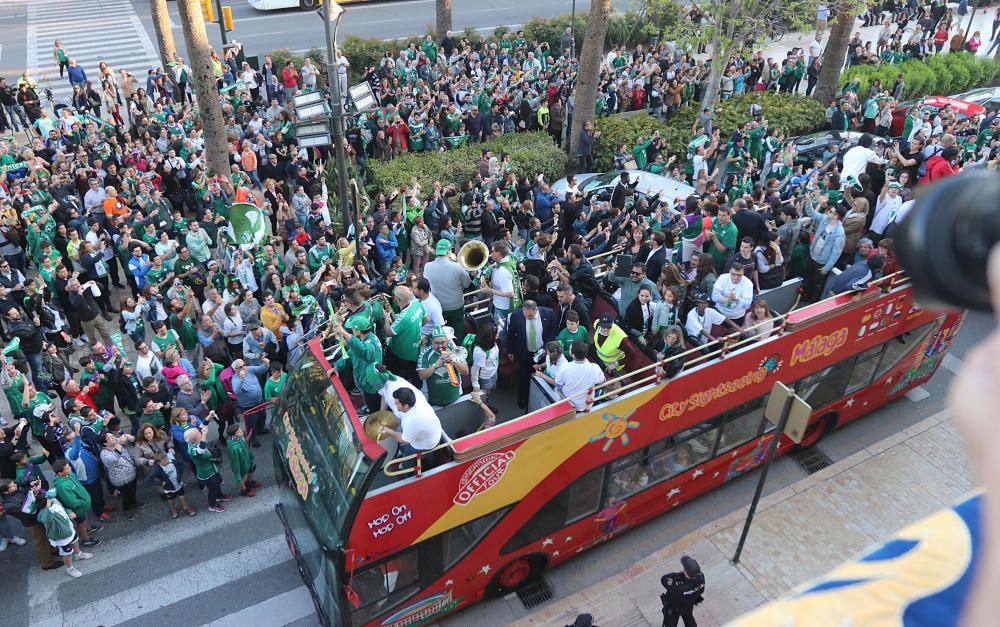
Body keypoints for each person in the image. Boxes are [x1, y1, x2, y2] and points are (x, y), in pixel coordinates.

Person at [505, 300, 557, 409]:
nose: (529, 317)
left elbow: (552, 332)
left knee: (542, 377)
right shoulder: (516, 315)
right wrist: (509, 350)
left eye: (531, 316)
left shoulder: (549, 313)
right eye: (527, 315)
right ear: (523, 310)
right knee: (523, 378)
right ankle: (523, 400)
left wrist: (545, 348)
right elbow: (510, 334)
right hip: (524, 353)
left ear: (536, 310)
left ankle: (540, 402)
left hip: (542, 353)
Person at [35, 487, 93, 578]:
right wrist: (48, 506)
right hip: (61, 536)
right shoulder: (43, 514)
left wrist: (69, 512)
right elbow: (46, 518)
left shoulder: (54, 501)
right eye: (48, 500)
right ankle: (69, 568)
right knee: (67, 553)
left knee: (75, 540)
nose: (51, 500)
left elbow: (63, 507)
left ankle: (78, 554)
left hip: (69, 529)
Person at [331, 316, 383, 412]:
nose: (351, 331)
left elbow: (362, 349)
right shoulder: (365, 338)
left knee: (375, 408)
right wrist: (337, 367)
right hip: (364, 382)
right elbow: (352, 354)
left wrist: (343, 333)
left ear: (358, 332)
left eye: (352, 329)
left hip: (371, 386)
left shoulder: (370, 345)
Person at [417, 326, 469, 407]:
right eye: (437, 343)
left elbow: (465, 371)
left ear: (447, 341)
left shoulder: (454, 350)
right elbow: (421, 376)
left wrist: (454, 360)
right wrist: (435, 366)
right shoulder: (425, 353)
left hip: (456, 398)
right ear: (432, 342)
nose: (440, 346)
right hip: (433, 402)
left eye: (443, 342)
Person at [184, 424, 230, 513]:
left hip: (213, 469)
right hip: (207, 474)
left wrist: (209, 417)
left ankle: (220, 496)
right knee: (212, 490)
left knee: (217, 484)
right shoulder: (192, 450)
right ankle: (212, 505)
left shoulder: (196, 442)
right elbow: (201, 451)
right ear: (194, 438)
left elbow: (203, 425)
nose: (200, 433)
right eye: (198, 433)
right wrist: (204, 435)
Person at [383, 286, 424, 385]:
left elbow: (388, 332)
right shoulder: (417, 304)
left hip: (400, 354)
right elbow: (425, 319)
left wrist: (386, 318)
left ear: (397, 299)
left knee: (396, 376)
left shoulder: (403, 317)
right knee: (415, 376)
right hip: (415, 349)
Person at [555, 340, 606, 412]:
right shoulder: (595, 368)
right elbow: (603, 381)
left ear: (573, 355)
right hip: (585, 405)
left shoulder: (564, 367)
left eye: (570, 349)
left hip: (569, 403)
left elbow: (558, 384)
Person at [230, 358, 270, 446]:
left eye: (244, 364)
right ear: (236, 370)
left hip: (259, 401)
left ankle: (260, 429)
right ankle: (253, 439)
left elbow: (262, 369)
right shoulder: (235, 379)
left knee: (262, 417)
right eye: (241, 367)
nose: (244, 367)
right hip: (249, 406)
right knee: (251, 424)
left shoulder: (249, 369)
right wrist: (241, 379)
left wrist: (266, 364)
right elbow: (236, 390)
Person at [144, 451, 196, 519]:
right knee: (172, 501)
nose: (167, 461)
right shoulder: (157, 469)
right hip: (169, 489)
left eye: (167, 458)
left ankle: (186, 507)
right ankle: (173, 510)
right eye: (165, 460)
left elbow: (180, 464)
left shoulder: (173, 461)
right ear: (159, 462)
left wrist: (179, 475)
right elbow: (147, 481)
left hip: (178, 485)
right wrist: (160, 483)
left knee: (183, 498)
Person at [660, 555, 706, 627]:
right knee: (689, 618)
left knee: (670, 623)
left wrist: (680, 574)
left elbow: (664, 579)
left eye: (684, 569)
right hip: (689, 604)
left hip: (675, 608)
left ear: (686, 573)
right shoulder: (701, 577)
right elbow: (701, 590)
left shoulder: (679, 589)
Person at [226, 424, 258, 498]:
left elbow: (246, 447)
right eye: (238, 431)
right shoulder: (233, 449)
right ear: (234, 436)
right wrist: (237, 474)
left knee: (251, 471)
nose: (241, 431)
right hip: (241, 466)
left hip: (248, 460)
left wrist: (250, 457)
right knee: (242, 478)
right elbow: (235, 463)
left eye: (240, 429)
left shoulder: (241, 437)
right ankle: (243, 490)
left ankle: (249, 482)